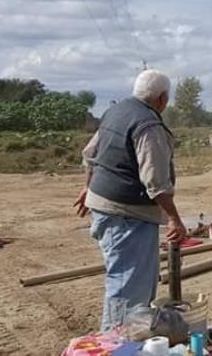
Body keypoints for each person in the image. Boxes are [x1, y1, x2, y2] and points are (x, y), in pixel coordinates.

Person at [74, 69, 187, 332]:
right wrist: (174, 219)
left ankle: (127, 337)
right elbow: (155, 180)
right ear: (162, 98)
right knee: (128, 288)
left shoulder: (116, 112)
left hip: (105, 207)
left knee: (130, 281)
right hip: (127, 215)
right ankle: (115, 343)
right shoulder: (148, 125)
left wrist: (88, 187)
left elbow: (91, 154)